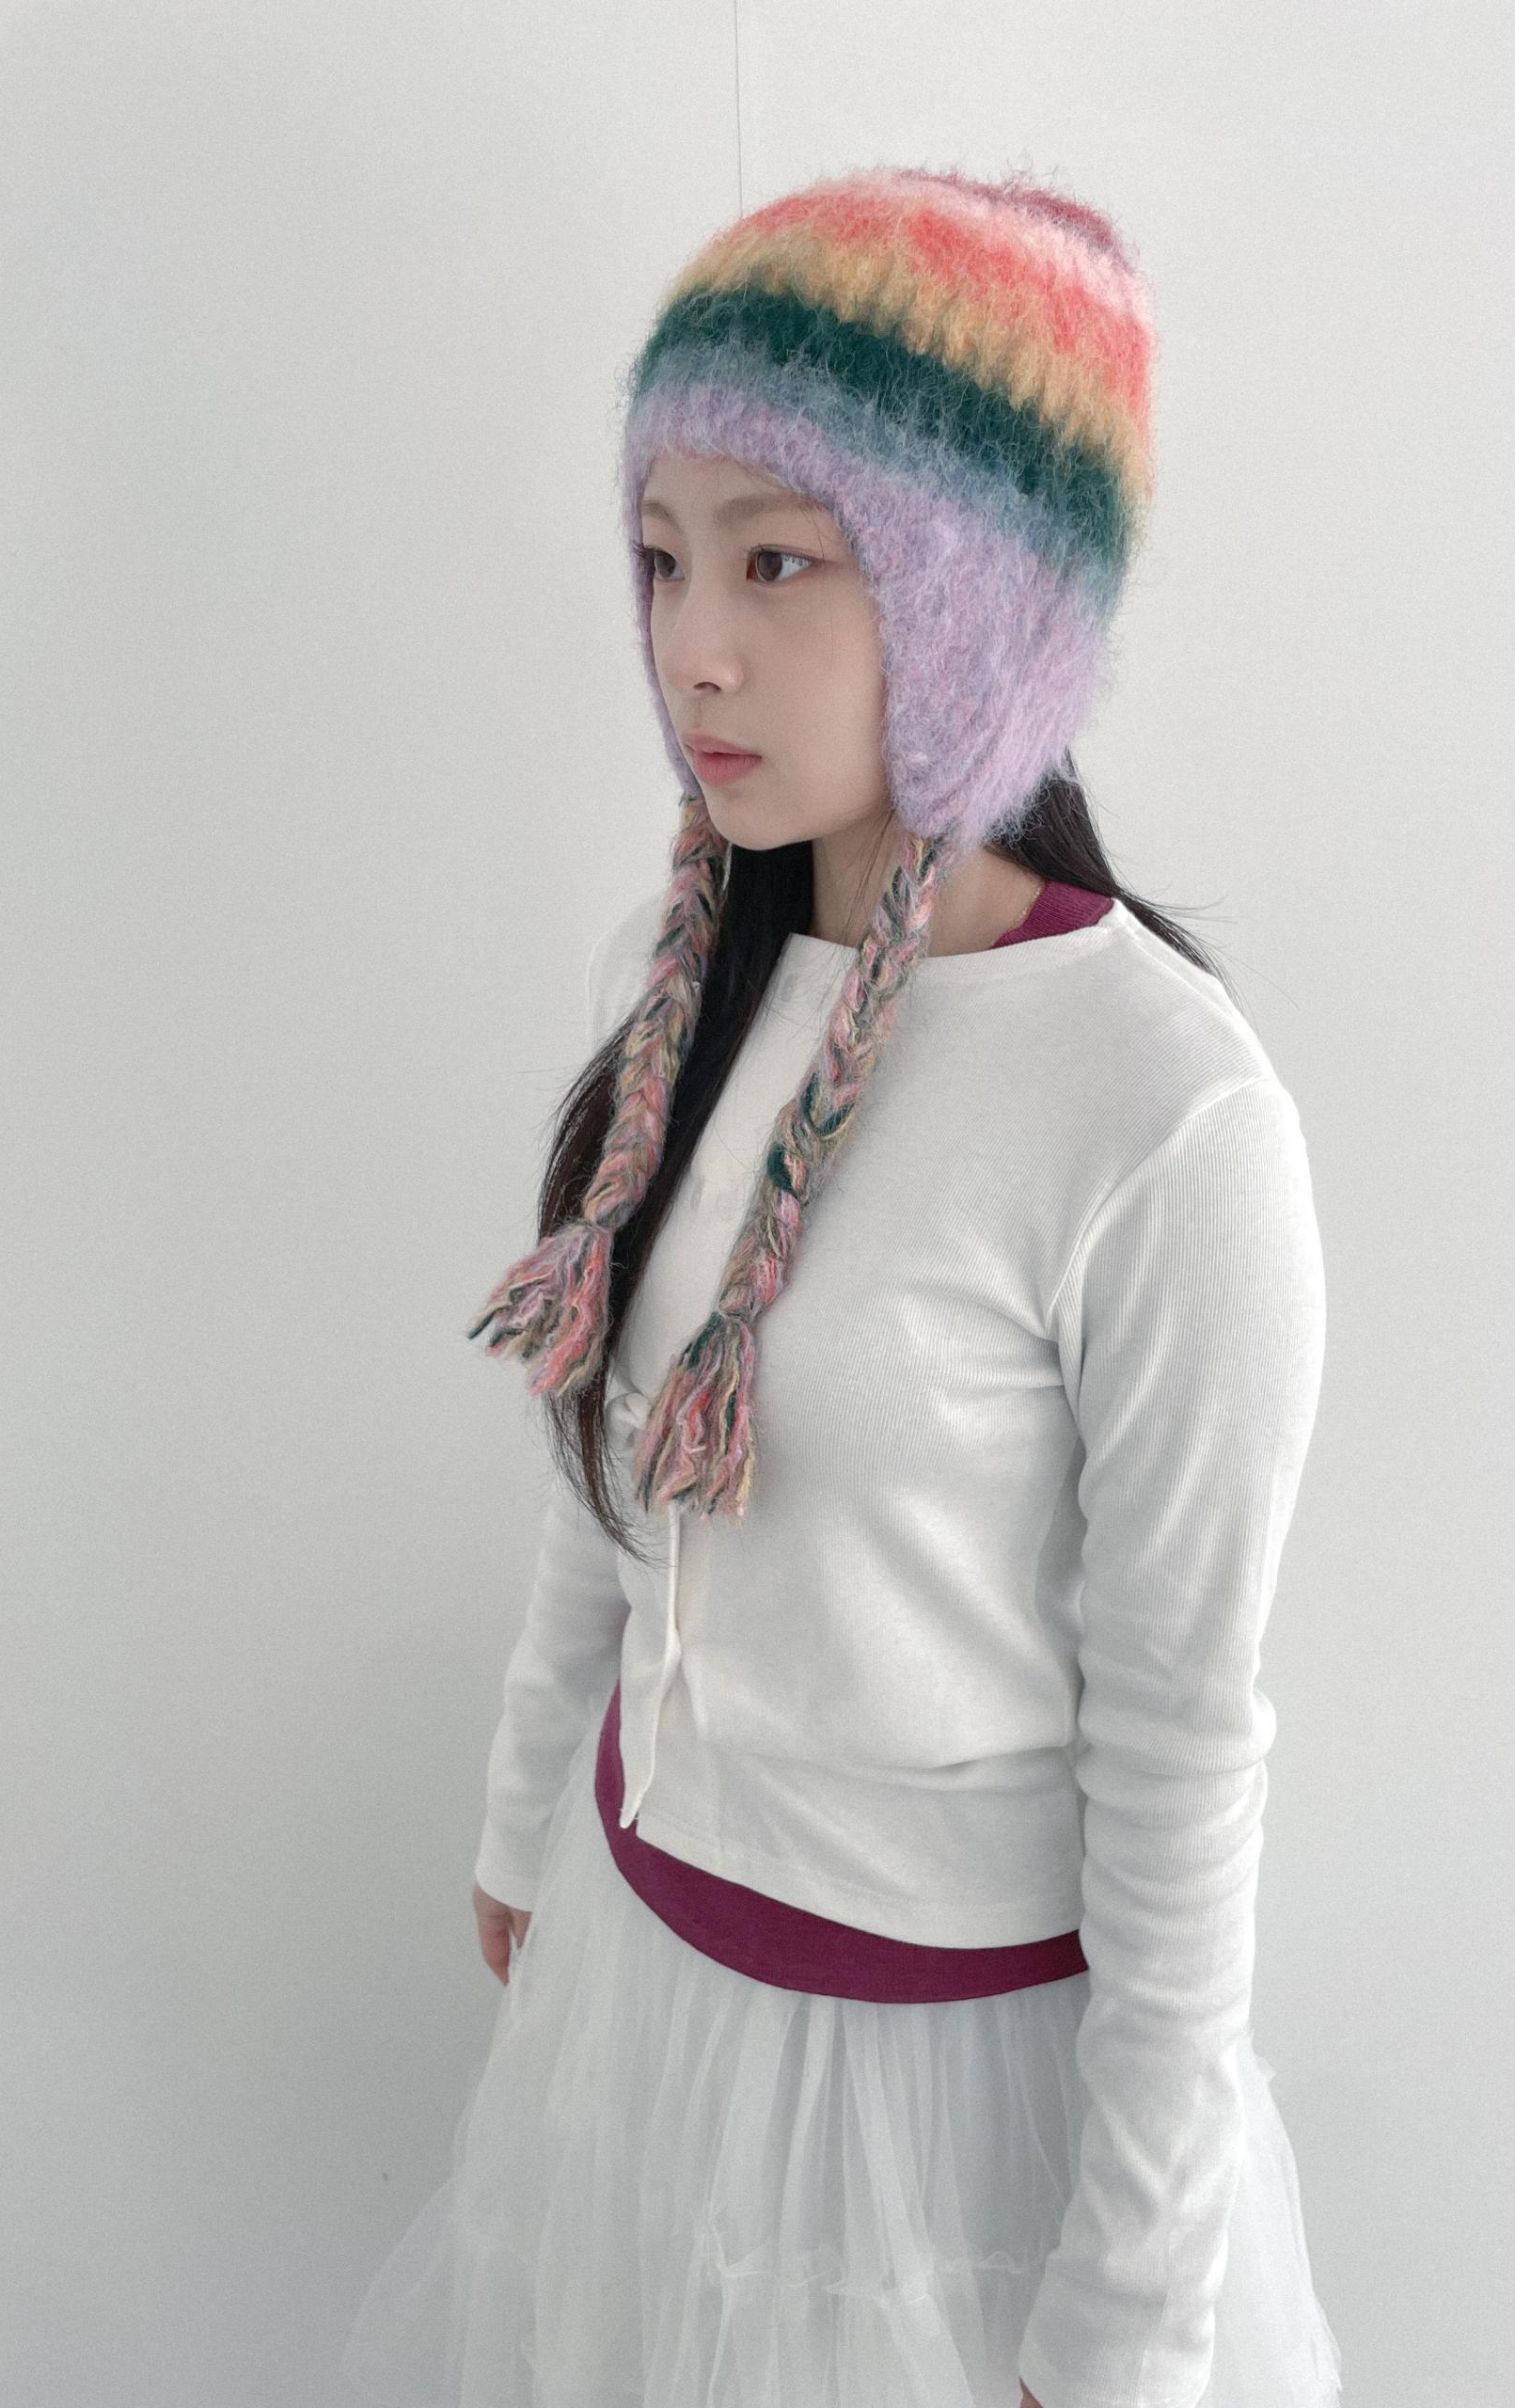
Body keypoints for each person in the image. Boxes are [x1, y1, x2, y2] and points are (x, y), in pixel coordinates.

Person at [340, 163, 1343, 2408]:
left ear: (982, 600)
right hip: (645, 1996)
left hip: (944, 2115)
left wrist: (1131, 2316)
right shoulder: (698, 968)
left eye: (779, 560)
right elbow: (623, 1457)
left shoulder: (1163, 1117)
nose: (693, 645)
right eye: (660, 556)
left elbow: (1183, 1749)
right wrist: (528, 1803)